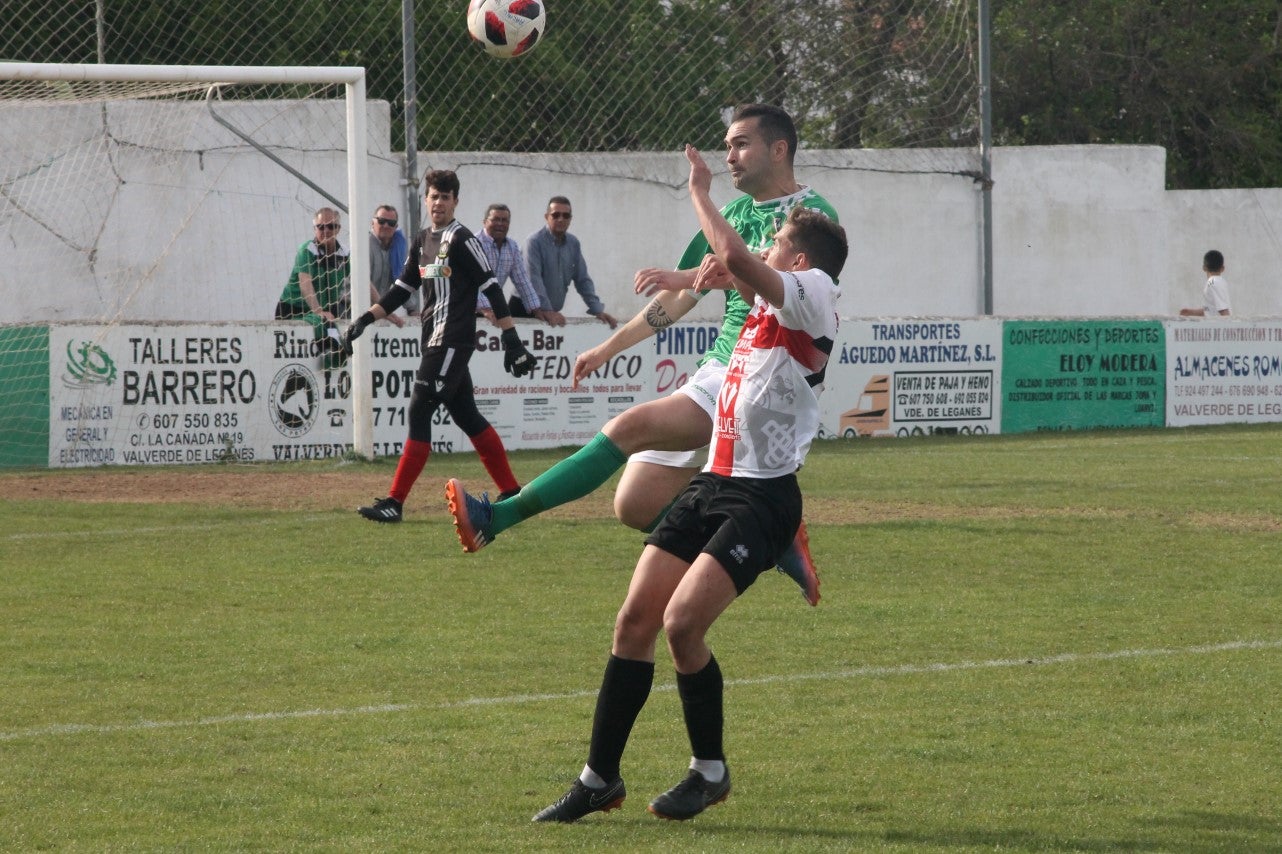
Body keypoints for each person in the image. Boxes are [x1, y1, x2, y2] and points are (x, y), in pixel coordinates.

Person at [529, 144, 847, 824]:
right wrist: (680, 278)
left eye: (780, 241)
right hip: (712, 482)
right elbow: (718, 273)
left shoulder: (815, 295)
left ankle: (710, 770)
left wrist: (701, 190)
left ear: (796, 260)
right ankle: (598, 779)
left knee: (681, 625)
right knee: (634, 620)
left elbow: (732, 259)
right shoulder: (768, 296)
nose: (770, 246)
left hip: (764, 497)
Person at [446, 104, 836, 605]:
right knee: (634, 504)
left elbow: (789, 290)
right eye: (727, 146)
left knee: (627, 428)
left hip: (763, 373)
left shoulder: (812, 218)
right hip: (722, 367)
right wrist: (607, 348)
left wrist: (704, 209)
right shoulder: (735, 214)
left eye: (740, 144)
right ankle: (767, 536)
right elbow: (680, 297)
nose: (729, 156)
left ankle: (494, 519)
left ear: (779, 149)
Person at [343, 169, 537, 523]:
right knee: (468, 417)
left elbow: (492, 287)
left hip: (451, 341)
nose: (439, 203)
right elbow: (401, 289)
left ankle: (395, 502)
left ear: (455, 202)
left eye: (446, 197)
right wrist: (365, 320)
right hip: (435, 339)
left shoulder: (462, 239)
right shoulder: (421, 241)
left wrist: (511, 337)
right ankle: (512, 492)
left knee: (419, 410)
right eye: (434, 196)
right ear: (426, 200)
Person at [521, 196, 619, 328]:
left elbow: (582, 279)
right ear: (546, 217)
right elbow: (533, 279)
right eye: (555, 215)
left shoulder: (573, 244)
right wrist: (547, 310)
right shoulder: (534, 242)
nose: (561, 219)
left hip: (551, 315)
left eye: (565, 215)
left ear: (570, 219)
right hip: (523, 312)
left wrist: (598, 310)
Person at [274, 207, 351, 353]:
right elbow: (305, 284)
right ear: (314, 229)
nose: (326, 230)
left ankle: (331, 353)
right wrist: (319, 312)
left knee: (334, 342)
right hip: (293, 310)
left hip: (323, 314)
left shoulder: (345, 254)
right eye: (321, 227)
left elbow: (364, 283)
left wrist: (383, 307)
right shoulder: (307, 250)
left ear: (338, 229)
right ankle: (329, 350)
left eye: (331, 226)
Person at [474, 203, 563, 327]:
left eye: (504, 220)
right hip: (468, 309)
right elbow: (470, 283)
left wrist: (537, 309)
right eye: (495, 219)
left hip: (492, 311)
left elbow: (522, 281)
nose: (500, 224)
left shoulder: (512, 247)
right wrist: (485, 309)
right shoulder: (474, 244)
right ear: (485, 222)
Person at [368, 203, 413, 327]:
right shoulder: (364, 245)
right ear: (373, 223)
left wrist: (412, 309)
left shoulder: (397, 250)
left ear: (396, 226)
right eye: (381, 221)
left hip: (377, 315)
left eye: (391, 223)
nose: (386, 226)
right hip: (351, 310)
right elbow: (363, 281)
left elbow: (403, 282)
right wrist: (383, 308)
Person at [1179, 250, 1231, 316]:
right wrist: (1191, 312)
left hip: (1218, 326)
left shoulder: (1212, 282)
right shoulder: (1221, 282)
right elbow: (1211, 310)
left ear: (1204, 268)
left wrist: (1229, 326)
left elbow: (1224, 310)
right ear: (1223, 268)